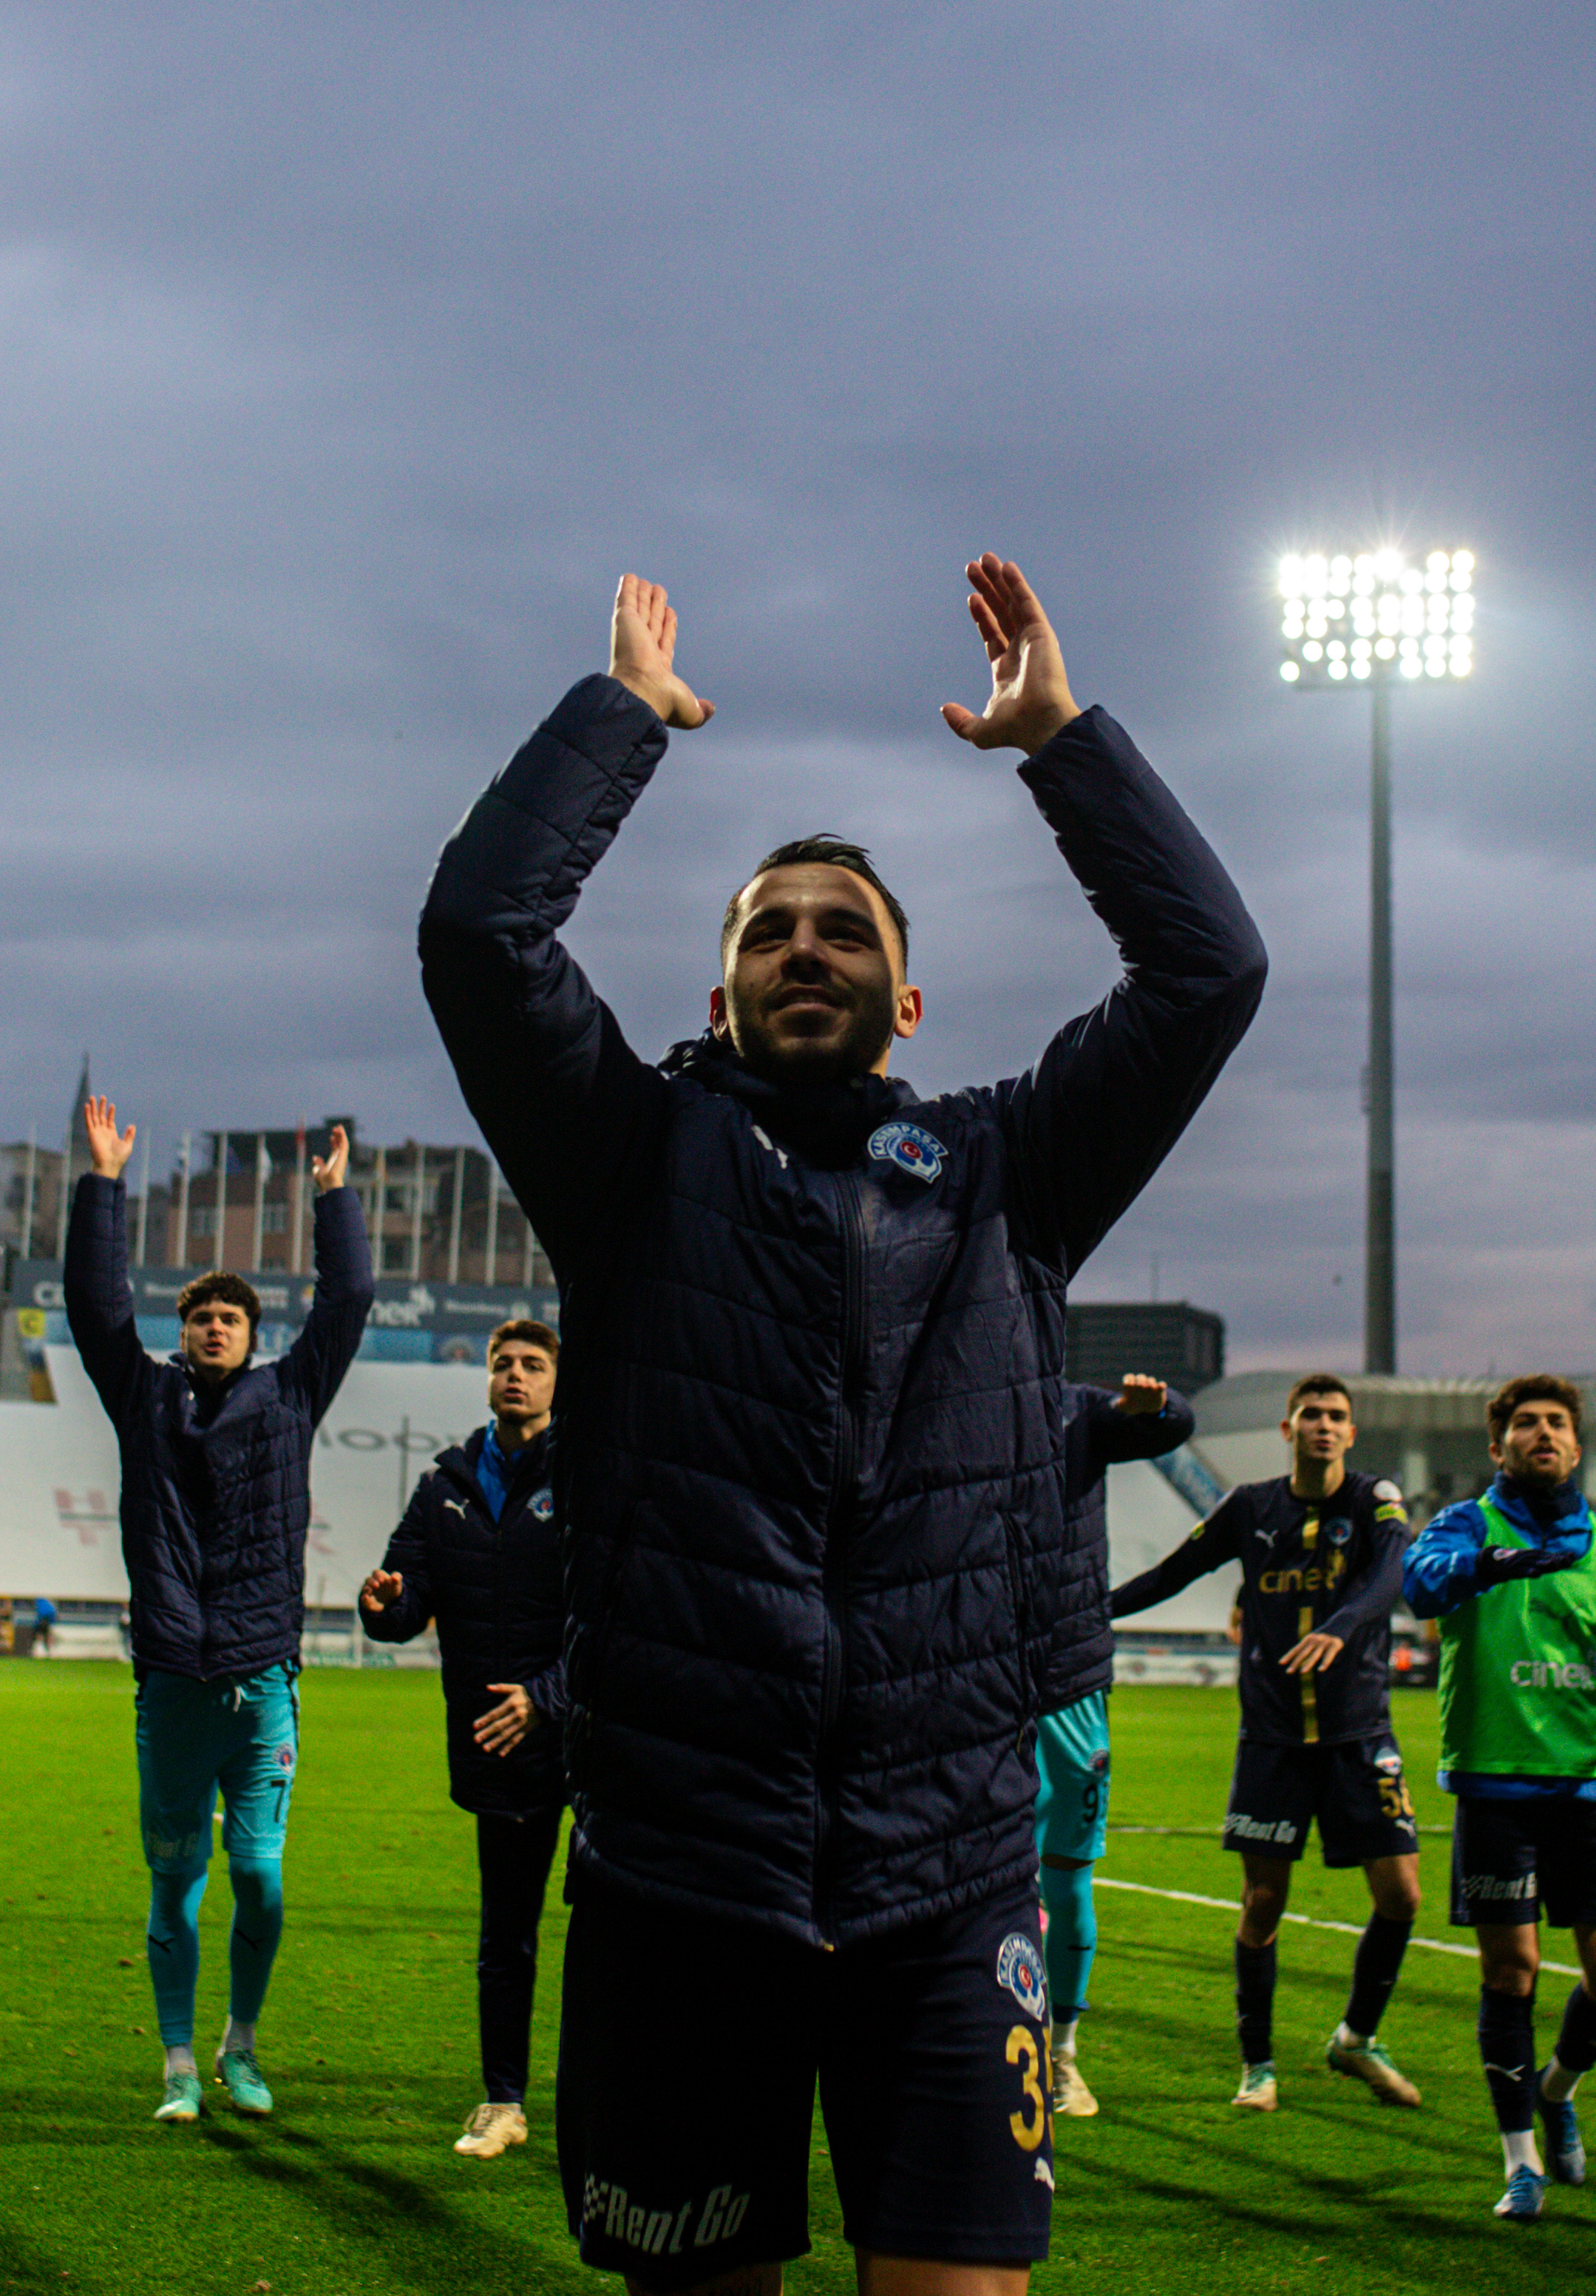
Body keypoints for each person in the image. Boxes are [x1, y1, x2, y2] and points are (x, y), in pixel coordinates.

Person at [420, 561, 1263, 2292]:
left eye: (845, 930)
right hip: (679, 1874)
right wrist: (622, 717)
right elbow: (479, 937)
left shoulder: (1009, 1174)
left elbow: (1206, 972)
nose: (805, 947)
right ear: (718, 995)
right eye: (766, 931)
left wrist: (1063, 745)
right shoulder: (626, 1159)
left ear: (909, 1001)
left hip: (948, 1880)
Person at [68, 1093, 370, 2125]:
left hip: (260, 1681)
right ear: (182, 1331)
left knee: (260, 1879)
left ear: (251, 1333)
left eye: (230, 1317)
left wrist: (333, 1201)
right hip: (170, 1682)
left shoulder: (292, 1394)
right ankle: (178, 2064)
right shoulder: (142, 1397)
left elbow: (348, 1299)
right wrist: (103, 1182)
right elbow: (94, 1305)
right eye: (200, 1316)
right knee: (174, 1884)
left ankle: (240, 2044)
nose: (213, 1326)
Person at [1107, 1374, 1450, 2114]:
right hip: (1272, 1739)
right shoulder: (1249, 1506)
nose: (1323, 1425)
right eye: (1310, 1415)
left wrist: (1341, 1626)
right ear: (1287, 1430)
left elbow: (1392, 1572)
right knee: (1263, 1901)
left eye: (1336, 1416)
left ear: (1350, 1433)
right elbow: (1173, 1572)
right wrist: (1094, 1609)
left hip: (1359, 1734)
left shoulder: (1374, 1498)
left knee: (1402, 1894)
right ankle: (1257, 2065)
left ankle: (1356, 2037)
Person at [1402, 1373, 1596, 2226]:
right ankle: (1519, 2160)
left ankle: (1557, 2089)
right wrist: (1486, 1565)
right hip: (1496, 1785)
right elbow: (1419, 1584)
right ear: (1498, 1446)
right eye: (1525, 1423)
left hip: (1591, 1787)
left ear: (1575, 1445)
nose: (1543, 1433)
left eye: (1556, 1422)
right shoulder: (1464, 1525)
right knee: (1511, 1970)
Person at [359, 1318, 568, 2161]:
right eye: (502, 1362)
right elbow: (406, 1600)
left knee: (620, 1933)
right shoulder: (442, 1485)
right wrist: (384, 1603)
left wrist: (547, 1698)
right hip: (500, 1742)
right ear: (485, 1377)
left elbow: (621, 1608)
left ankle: (608, 2101)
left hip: (596, 1741)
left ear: (556, 1382)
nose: (516, 1374)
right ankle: (503, 2101)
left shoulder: (588, 1475)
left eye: (533, 1364)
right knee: (506, 1935)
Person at [1030, 1372, 1198, 2119]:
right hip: (969, 1670)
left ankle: (1061, 2053)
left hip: (1067, 1674)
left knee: (1067, 1875)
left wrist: (1157, 1409)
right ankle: (978, 2042)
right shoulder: (951, 1399)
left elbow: (1172, 1427)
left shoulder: (1079, 1408)